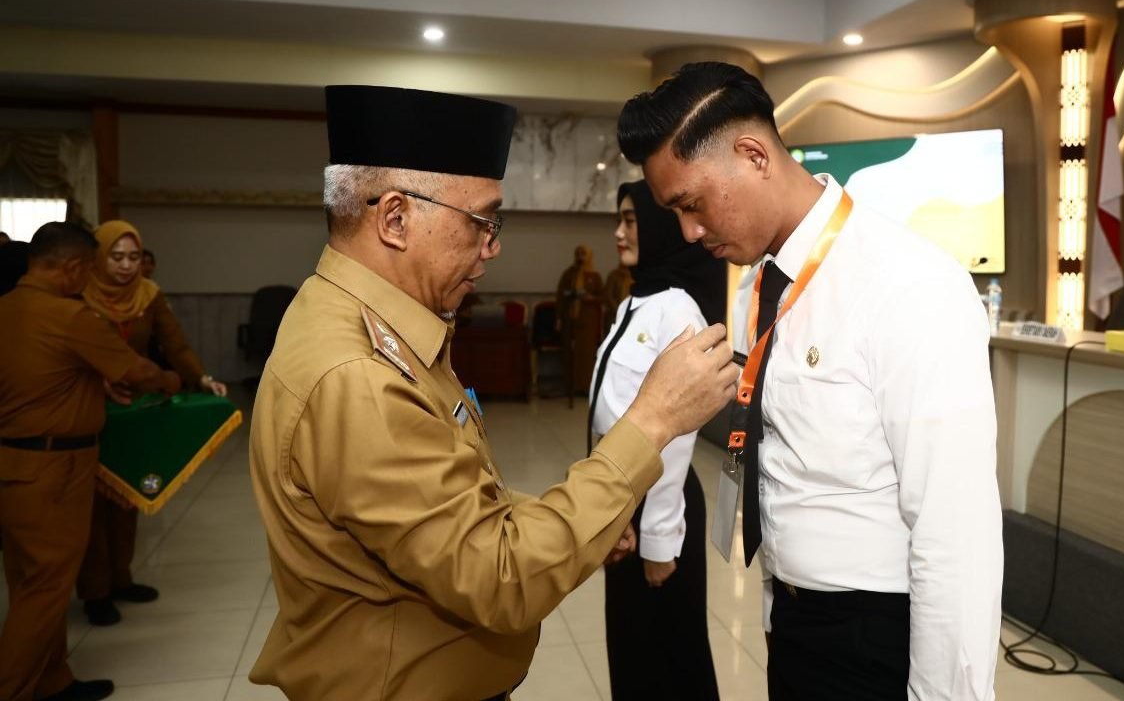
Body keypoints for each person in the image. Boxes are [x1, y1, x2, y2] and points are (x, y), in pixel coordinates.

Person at [247, 85, 737, 701]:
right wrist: (653, 422)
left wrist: (573, 517)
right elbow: (499, 578)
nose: (493, 245)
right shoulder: (358, 375)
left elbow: (448, 506)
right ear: (395, 218)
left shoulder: (362, 322)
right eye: (482, 221)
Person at [618, 62, 1003, 701]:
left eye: (692, 204)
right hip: (794, 617)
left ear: (753, 155)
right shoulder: (760, 285)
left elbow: (955, 531)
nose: (689, 231)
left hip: (879, 634)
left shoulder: (909, 285)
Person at [0, 221, 180, 701]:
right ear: (75, 266)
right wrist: (170, 381)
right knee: (43, 593)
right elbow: (135, 369)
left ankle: (54, 681)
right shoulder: (69, 315)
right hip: (55, 468)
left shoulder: (8, 307)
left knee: (31, 585)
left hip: (15, 466)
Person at [591, 180, 723, 701]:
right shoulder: (635, 303)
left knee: (669, 660)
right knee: (632, 653)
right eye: (618, 220)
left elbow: (675, 436)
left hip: (658, 505)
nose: (619, 232)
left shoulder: (678, 311)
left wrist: (660, 543)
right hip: (622, 500)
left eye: (631, 220)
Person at [75, 220, 228, 626]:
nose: (126, 266)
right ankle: (95, 591)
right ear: (99, 257)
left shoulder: (148, 294)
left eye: (134, 257)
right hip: (93, 410)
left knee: (127, 499)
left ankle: (121, 578)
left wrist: (201, 378)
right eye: (116, 257)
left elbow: (175, 344)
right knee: (93, 511)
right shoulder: (79, 295)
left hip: (135, 409)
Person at [556, 244, 604, 394]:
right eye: (578, 253)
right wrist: (558, 318)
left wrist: (590, 298)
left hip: (589, 322)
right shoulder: (568, 274)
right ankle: (570, 386)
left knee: (587, 355)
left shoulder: (595, 276)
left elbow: (602, 297)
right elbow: (560, 296)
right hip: (570, 320)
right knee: (570, 354)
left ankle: (586, 387)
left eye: (583, 253)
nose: (580, 257)